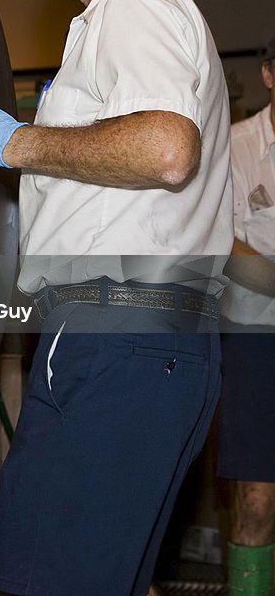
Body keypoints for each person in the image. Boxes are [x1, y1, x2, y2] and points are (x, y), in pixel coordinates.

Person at [0, 0, 233, 596]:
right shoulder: (133, 16)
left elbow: (169, 146)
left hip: (115, 339)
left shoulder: (136, 4)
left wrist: (14, 143)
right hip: (151, 343)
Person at [219, 37, 275, 596]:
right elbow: (226, 247)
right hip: (255, 340)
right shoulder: (235, 147)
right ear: (268, 75)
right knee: (257, 500)